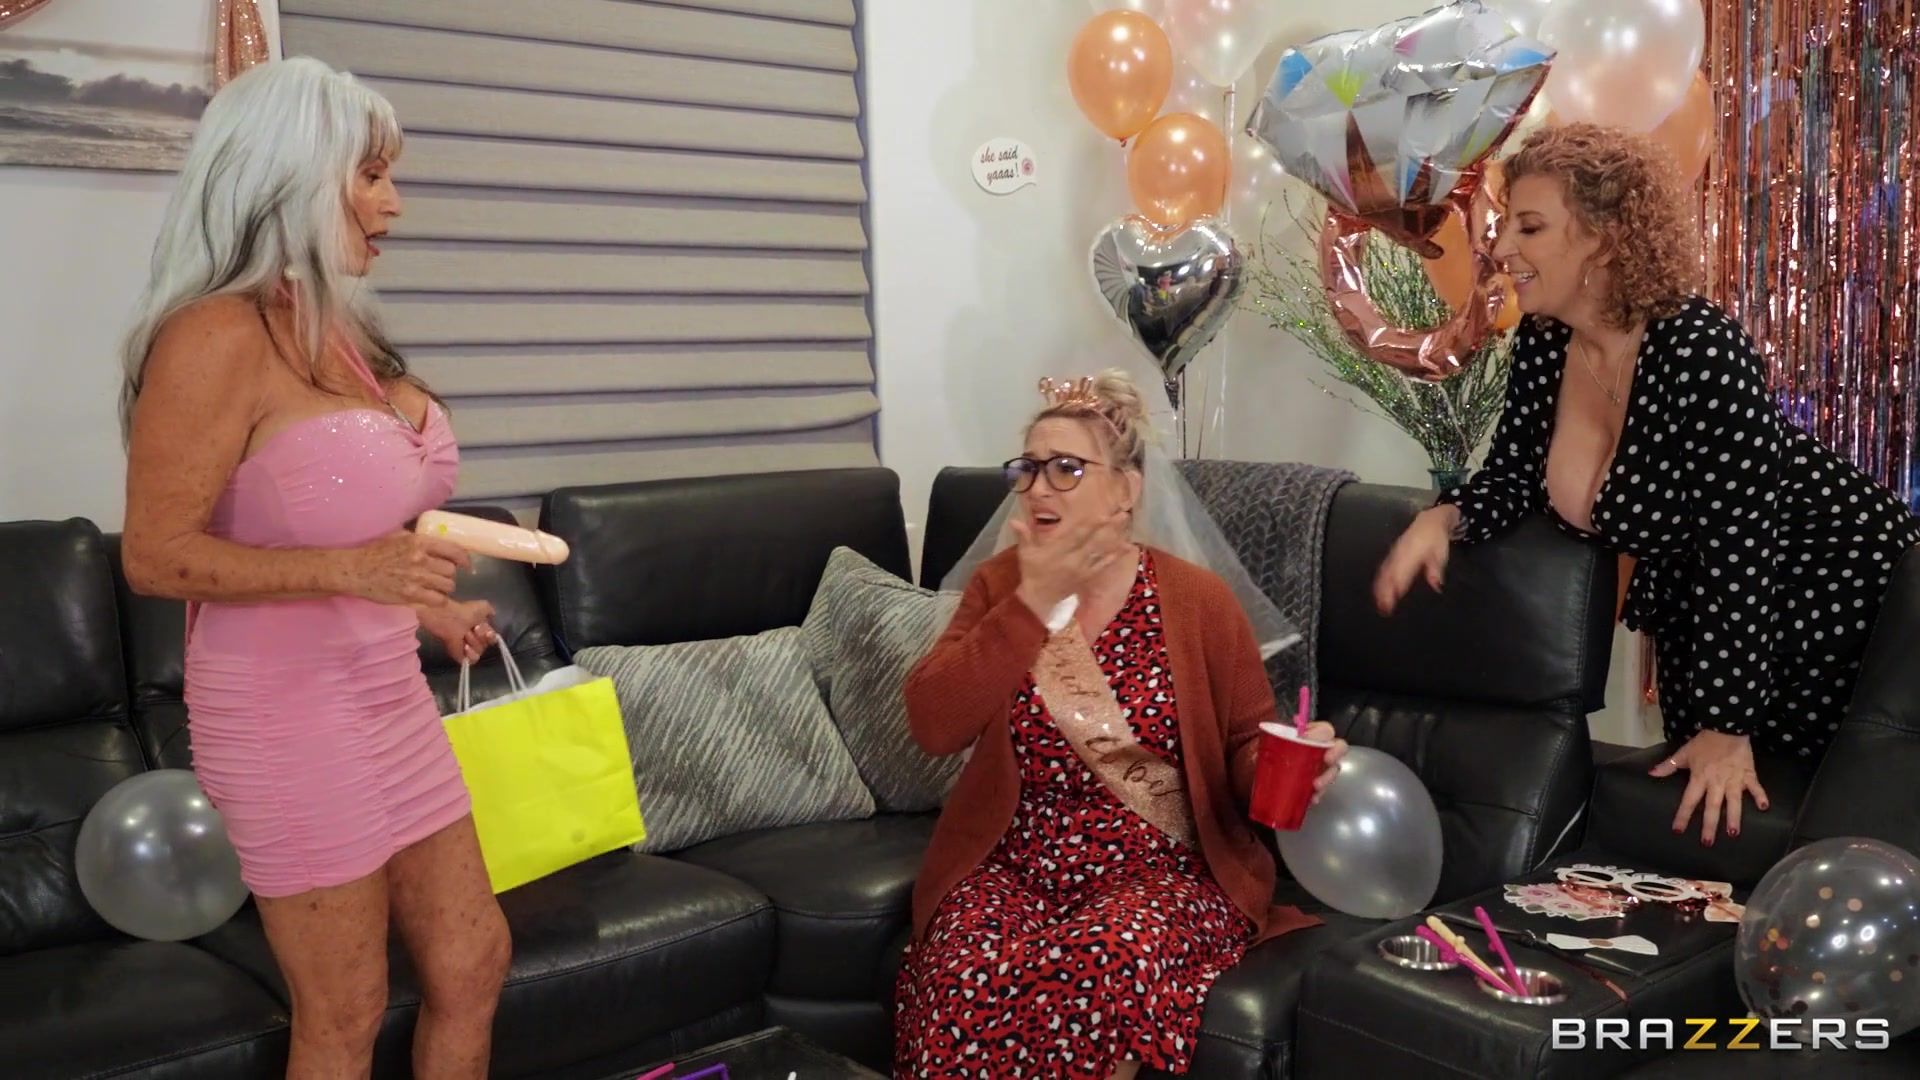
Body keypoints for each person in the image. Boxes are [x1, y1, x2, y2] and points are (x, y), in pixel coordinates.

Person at [119, 58, 510, 1078]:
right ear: (290, 175)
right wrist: (359, 568)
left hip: (386, 692)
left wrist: (423, 607)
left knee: (474, 962)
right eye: (370, 175)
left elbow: (332, 524)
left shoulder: (338, 329)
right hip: (283, 716)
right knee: (345, 1011)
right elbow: (155, 555)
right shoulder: (214, 334)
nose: (394, 202)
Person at [1374, 123, 1920, 848]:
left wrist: (1726, 724)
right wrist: (1443, 519)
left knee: (1842, 839)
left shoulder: (1699, 346)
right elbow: (1512, 476)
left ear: (1603, 239)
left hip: (1845, 595)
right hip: (1717, 619)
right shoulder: (1543, 343)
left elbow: (1740, 545)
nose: (1501, 249)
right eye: (1506, 225)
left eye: (1530, 227)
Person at [893, 370, 1347, 1080]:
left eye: (1067, 468)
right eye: (1028, 468)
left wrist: (1291, 766)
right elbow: (933, 724)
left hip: (1159, 871)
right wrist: (1032, 601)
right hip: (1014, 862)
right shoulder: (1000, 586)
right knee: (962, 966)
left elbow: (1243, 746)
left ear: (1127, 490)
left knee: (1104, 958)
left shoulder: (1197, 601)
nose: (1039, 487)